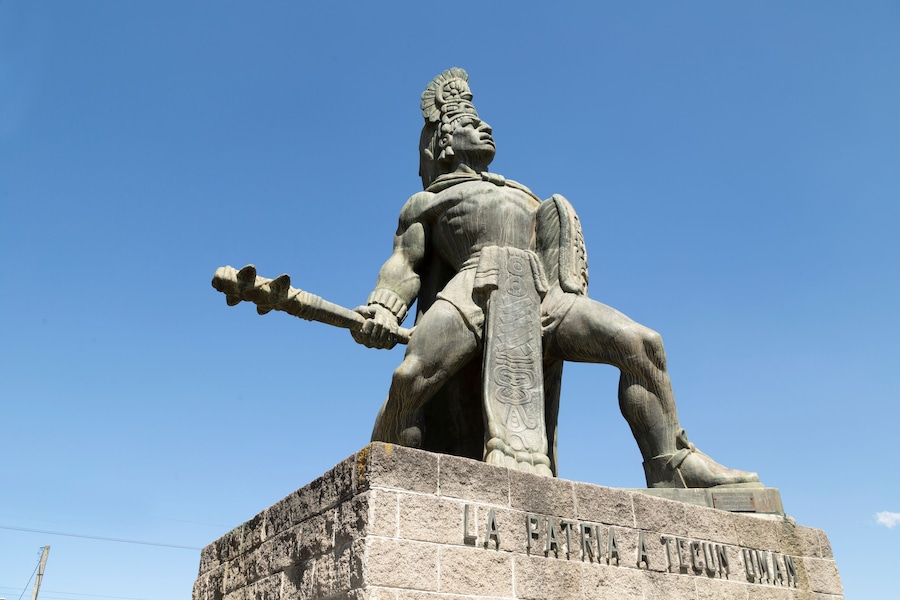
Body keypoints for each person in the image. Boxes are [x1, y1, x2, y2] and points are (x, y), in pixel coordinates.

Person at [351, 68, 758, 488]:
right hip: (473, 289)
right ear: (446, 143)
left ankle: (671, 464)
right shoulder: (427, 201)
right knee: (410, 379)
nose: (486, 128)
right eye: (472, 125)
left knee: (641, 344)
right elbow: (404, 263)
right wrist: (383, 310)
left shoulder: (524, 193)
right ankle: (392, 471)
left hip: (539, 294)